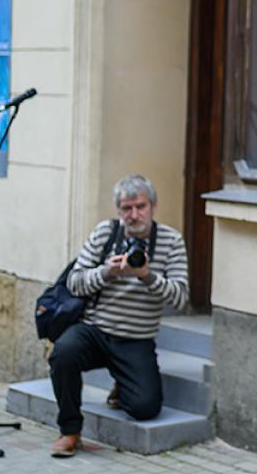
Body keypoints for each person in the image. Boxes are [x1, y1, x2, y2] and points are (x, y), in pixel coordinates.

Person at [46, 174, 190, 457]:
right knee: (63, 354)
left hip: (136, 338)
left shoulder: (171, 241)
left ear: (153, 206)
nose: (134, 215)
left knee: (145, 407)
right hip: (95, 331)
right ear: (119, 210)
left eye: (140, 207)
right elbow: (74, 282)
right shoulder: (105, 233)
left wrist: (147, 276)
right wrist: (106, 272)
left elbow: (180, 298)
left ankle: (122, 387)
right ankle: (70, 431)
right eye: (127, 208)